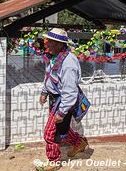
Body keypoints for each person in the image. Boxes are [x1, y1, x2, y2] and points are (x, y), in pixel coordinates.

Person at [36, 28, 88, 171]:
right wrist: (44, 92)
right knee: (60, 128)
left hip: (63, 101)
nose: (47, 44)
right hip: (56, 99)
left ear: (59, 44)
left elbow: (70, 92)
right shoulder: (54, 57)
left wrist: (62, 112)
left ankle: (53, 161)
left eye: (50, 41)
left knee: (49, 133)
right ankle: (79, 143)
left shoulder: (68, 63)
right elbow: (49, 76)